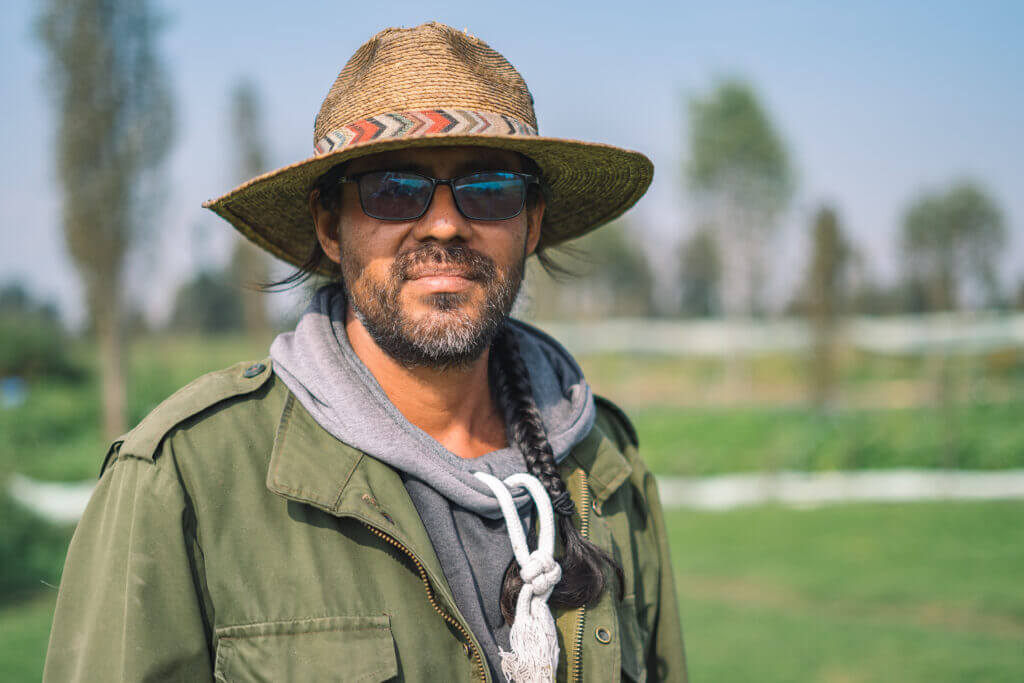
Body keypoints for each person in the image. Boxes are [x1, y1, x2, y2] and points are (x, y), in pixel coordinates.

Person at [44, 21, 687, 683]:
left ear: (532, 224)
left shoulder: (605, 468)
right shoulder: (186, 479)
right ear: (330, 226)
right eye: (393, 188)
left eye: (489, 187)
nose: (444, 223)